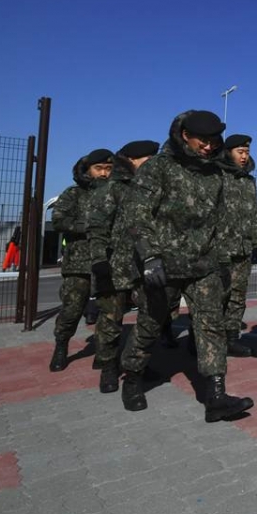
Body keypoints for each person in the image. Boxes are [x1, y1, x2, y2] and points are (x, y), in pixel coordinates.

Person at [120, 110, 254, 424]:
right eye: (202, 140)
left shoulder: (216, 174)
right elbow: (136, 215)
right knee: (151, 323)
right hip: (164, 264)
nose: (209, 146)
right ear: (184, 136)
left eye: (213, 140)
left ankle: (216, 395)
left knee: (211, 327)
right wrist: (150, 256)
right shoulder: (159, 169)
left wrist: (222, 261)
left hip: (204, 264)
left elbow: (222, 222)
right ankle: (134, 377)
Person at [87, 140, 160, 393]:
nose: (153, 163)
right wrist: (99, 261)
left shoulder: (154, 188)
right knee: (110, 320)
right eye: (147, 159)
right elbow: (97, 229)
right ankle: (108, 368)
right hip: (116, 266)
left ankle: (137, 364)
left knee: (149, 318)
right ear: (131, 160)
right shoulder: (112, 189)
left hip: (145, 266)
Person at [49, 149, 113, 372]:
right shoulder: (73, 194)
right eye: (99, 168)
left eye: (108, 169)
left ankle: (104, 353)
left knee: (109, 311)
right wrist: (88, 226)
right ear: (87, 170)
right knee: (72, 309)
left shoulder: (116, 193)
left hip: (108, 262)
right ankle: (61, 345)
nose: (104, 173)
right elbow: (58, 221)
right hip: (79, 264)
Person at [218, 133, 257, 358]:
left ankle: (232, 338)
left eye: (247, 152)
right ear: (228, 152)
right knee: (217, 295)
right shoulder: (218, 176)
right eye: (240, 152)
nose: (244, 156)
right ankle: (204, 339)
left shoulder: (249, 181)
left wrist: (256, 243)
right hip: (221, 249)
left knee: (237, 295)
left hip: (243, 247)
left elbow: (254, 213)